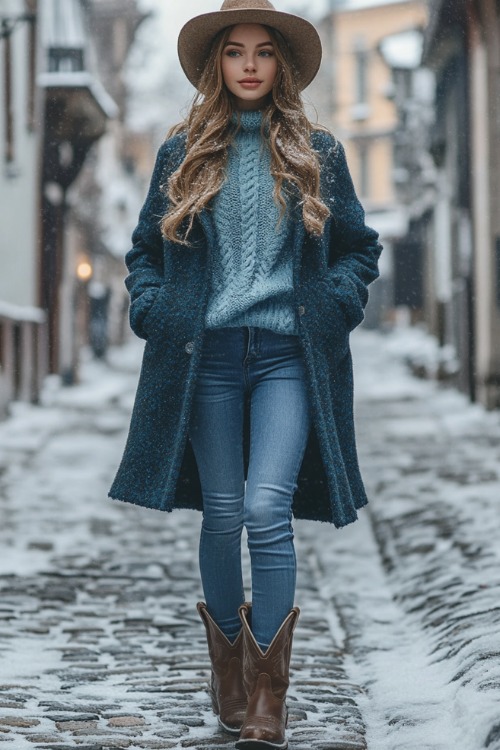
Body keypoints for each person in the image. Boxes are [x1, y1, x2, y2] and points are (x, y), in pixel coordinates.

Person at [109, 1, 382, 748]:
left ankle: (268, 697)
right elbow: (144, 253)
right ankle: (228, 674)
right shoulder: (182, 155)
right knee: (223, 513)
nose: (251, 64)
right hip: (208, 362)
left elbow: (361, 247)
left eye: (264, 51)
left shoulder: (318, 151)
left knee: (267, 509)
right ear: (216, 65)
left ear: (282, 64)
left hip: (290, 359)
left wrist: (332, 304)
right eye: (236, 52)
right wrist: (157, 309)